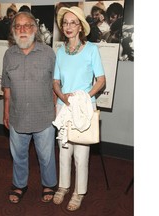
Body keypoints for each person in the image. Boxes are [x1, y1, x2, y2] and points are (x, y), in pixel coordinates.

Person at [52, 6, 106, 211]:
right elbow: (56, 81)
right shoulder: (60, 51)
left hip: (84, 109)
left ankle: (78, 192)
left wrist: (85, 97)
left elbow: (101, 80)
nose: (68, 26)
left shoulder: (92, 49)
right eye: (65, 22)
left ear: (81, 26)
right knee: (64, 152)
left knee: (81, 155)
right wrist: (62, 96)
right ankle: (63, 187)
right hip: (63, 107)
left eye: (73, 22)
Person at [1, 11, 57, 204]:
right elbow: (6, 87)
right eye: (18, 26)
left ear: (34, 29)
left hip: (44, 116)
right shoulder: (9, 55)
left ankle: (49, 183)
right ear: (13, 30)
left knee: (46, 156)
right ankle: (19, 184)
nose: (22, 30)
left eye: (27, 26)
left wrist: (56, 112)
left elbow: (56, 85)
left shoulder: (48, 53)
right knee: (18, 155)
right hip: (17, 115)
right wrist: (6, 111)